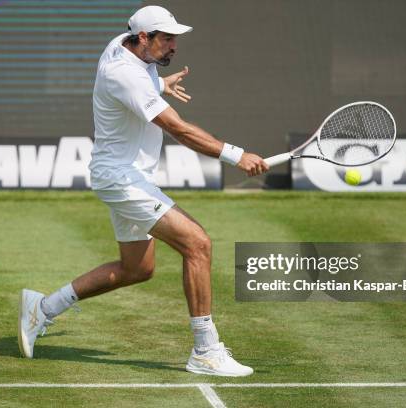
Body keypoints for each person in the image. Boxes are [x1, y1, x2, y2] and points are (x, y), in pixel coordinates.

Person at [19, 5, 268, 377]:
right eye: (166, 39)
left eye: (174, 39)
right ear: (143, 38)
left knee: (137, 268)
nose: (173, 47)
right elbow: (179, 130)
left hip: (128, 176)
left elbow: (138, 83)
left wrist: (157, 85)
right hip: (122, 179)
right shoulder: (125, 74)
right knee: (197, 244)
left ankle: (43, 307)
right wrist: (237, 155)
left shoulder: (124, 48)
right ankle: (205, 350)